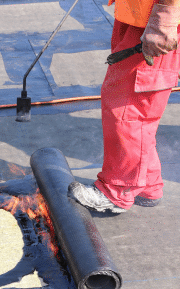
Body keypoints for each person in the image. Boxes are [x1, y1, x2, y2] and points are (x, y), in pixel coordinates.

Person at [68, 0, 180, 213]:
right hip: (139, 17)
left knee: (128, 108)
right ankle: (148, 182)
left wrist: (163, 19)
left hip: (155, 22)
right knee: (134, 107)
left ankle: (118, 190)